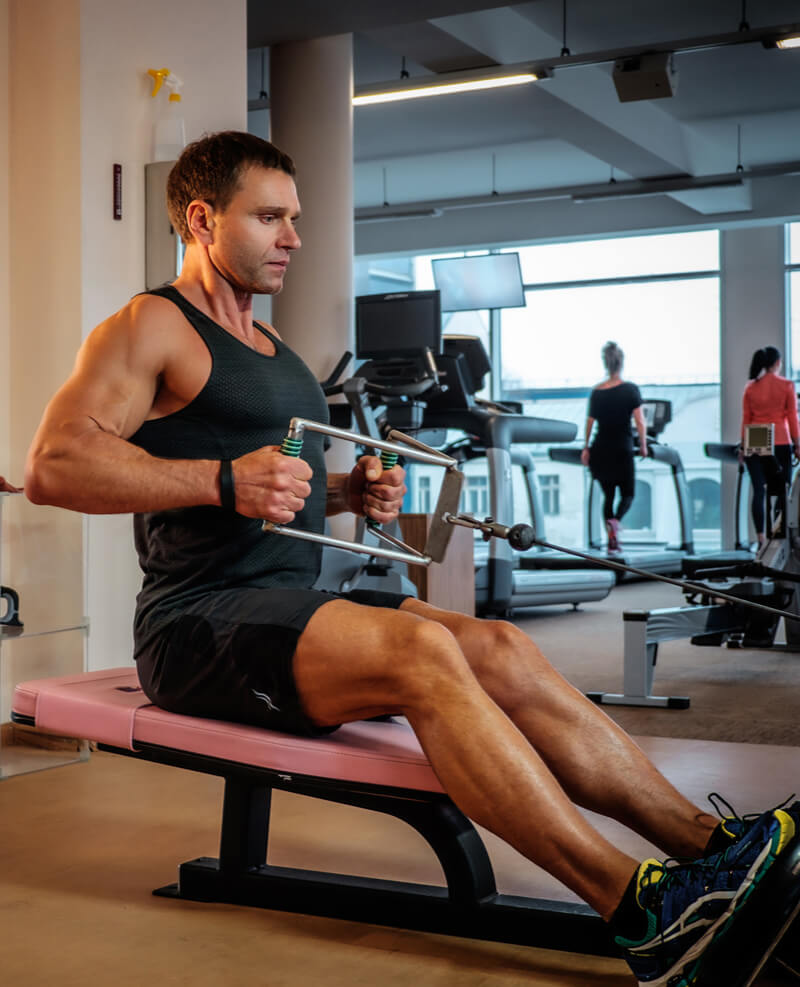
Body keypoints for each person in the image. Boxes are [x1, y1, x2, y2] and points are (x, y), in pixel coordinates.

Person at [24, 131, 797, 985]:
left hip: (288, 608)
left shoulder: (276, 353)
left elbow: (275, 486)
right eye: (271, 217)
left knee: (497, 645)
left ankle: (709, 846)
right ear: (203, 220)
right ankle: (645, 913)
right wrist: (217, 479)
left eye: (296, 218)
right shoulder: (152, 324)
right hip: (196, 625)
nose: (295, 237)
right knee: (424, 652)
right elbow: (53, 462)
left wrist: (351, 492)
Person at [580, 342, 648, 553]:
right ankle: (616, 522)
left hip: (601, 449)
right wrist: (643, 445)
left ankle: (611, 539)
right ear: (621, 363)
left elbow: (589, 423)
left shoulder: (597, 392)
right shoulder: (630, 390)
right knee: (628, 494)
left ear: (606, 364)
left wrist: (586, 448)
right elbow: (640, 422)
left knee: (608, 496)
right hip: (622, 448)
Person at [740, 346, 800, 545]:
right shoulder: (786, 385)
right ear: (777, 363)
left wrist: (743, 446)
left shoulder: (751, 387)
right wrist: (798, 444)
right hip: (780, 439)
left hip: (755, 437)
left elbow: (746, 419)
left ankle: (760, 539)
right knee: (781, 490)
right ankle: (777, 535)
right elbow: (792, 418)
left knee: (759, 490)